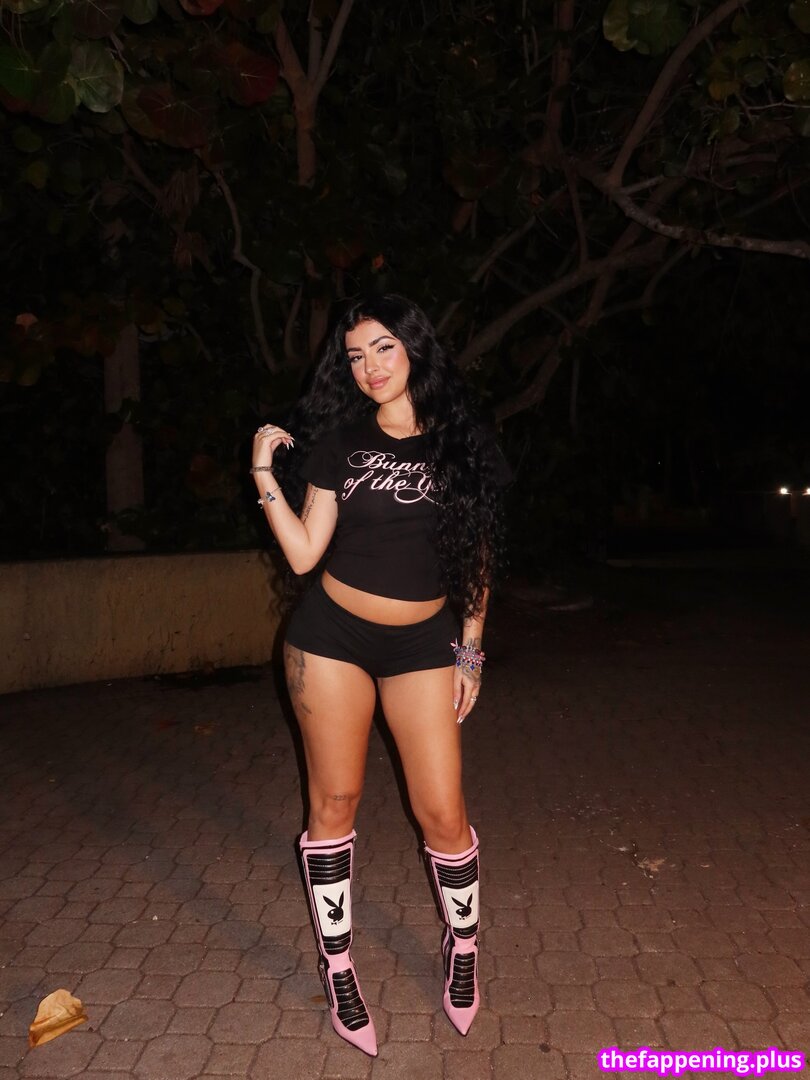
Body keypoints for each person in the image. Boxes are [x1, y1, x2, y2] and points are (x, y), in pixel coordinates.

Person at [250, 294, 508, 1056]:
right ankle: (338, 968)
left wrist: (470, 651)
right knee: (334, 801)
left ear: (416, 348)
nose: (370, 367)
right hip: (330, 638)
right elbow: (305, 553)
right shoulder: (341, 442)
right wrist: (264, 472)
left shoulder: (462, 442)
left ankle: (463, 947)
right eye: (356, 355)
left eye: (384, 348)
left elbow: (478, 553)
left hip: (423, 644)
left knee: (442, 812)